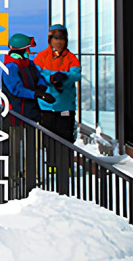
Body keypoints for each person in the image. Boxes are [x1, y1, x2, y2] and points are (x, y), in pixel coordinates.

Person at [34, 24, 82, 190]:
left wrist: (65, 76)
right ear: (50, 40)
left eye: (62, 38)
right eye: (56, 38)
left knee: (66, 136)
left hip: (65, 105)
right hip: (46, 106)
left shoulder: (71, 57)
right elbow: (37, 72)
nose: (59, 42)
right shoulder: (41, 56)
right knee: (49, 138)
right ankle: (52, 165)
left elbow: (76, 73)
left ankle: (66, 165)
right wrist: (52, 76)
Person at [2, 34, 55, 123]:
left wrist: (41, 87)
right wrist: (38, 94)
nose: (29, 52)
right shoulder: (10, 67)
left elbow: (39, 77)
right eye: (28, 49)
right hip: (16, 113)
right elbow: (16, 89)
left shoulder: (29, 64)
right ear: (21, 50)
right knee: (18, 135)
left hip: (31, 111)